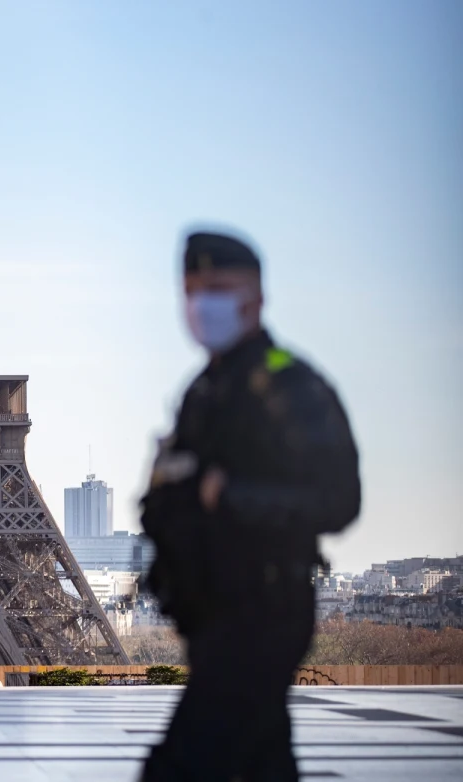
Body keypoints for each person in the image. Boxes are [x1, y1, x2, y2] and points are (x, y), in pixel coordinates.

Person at [139, 230, 361, 782]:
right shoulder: (203, 391)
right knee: (263, 762)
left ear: (255, 297)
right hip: (214, 614)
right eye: (192, 289)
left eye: (217, 287)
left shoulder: (289, 385)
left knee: (180, 767)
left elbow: (340, 500)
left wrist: (231, 495)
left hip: (263, 610)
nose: (201, 303)